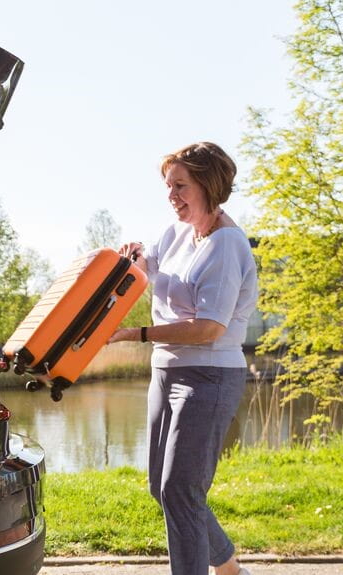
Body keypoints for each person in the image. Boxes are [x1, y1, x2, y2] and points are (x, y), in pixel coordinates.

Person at [108, 142, 258, 575]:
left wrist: (135, 334)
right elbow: (146, 269)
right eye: (168, 185)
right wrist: (134, 257)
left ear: (208, 185)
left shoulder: (226, 246)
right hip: (166, 371)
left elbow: (209, 327)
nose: (171, 195)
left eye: (180, 185)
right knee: (163, 488)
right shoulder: (176, 232)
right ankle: (230, 570)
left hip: (209, 376)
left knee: (181, 491)